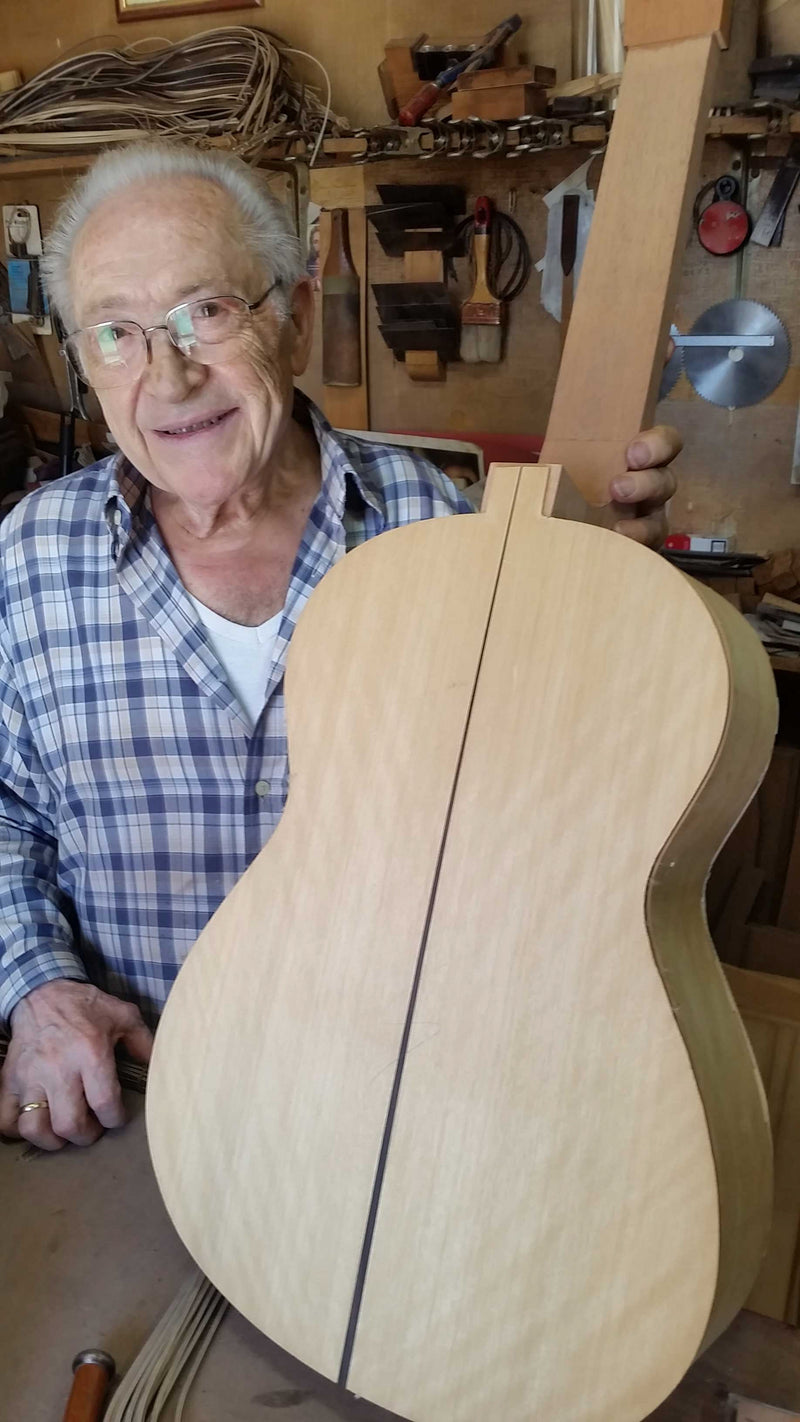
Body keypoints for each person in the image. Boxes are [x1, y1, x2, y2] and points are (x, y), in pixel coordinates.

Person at [0, 143, 680, 1152]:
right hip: (134, 1107)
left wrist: (612, 615)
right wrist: (38, 988)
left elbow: (559, 819)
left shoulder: (440, 529)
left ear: (299, 318)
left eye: (208, 312)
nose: (170, 374)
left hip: (392, 1124)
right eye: (117, 333)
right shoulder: (26, 559)